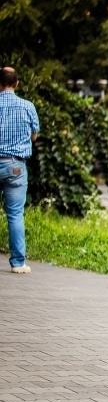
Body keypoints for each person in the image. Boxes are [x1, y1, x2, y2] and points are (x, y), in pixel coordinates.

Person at [0, 67, 40, 274]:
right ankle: (17, 263)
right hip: (15, 165)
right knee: (15, 214)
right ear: (17, 83)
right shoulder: (27, 106)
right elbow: (35, 135)